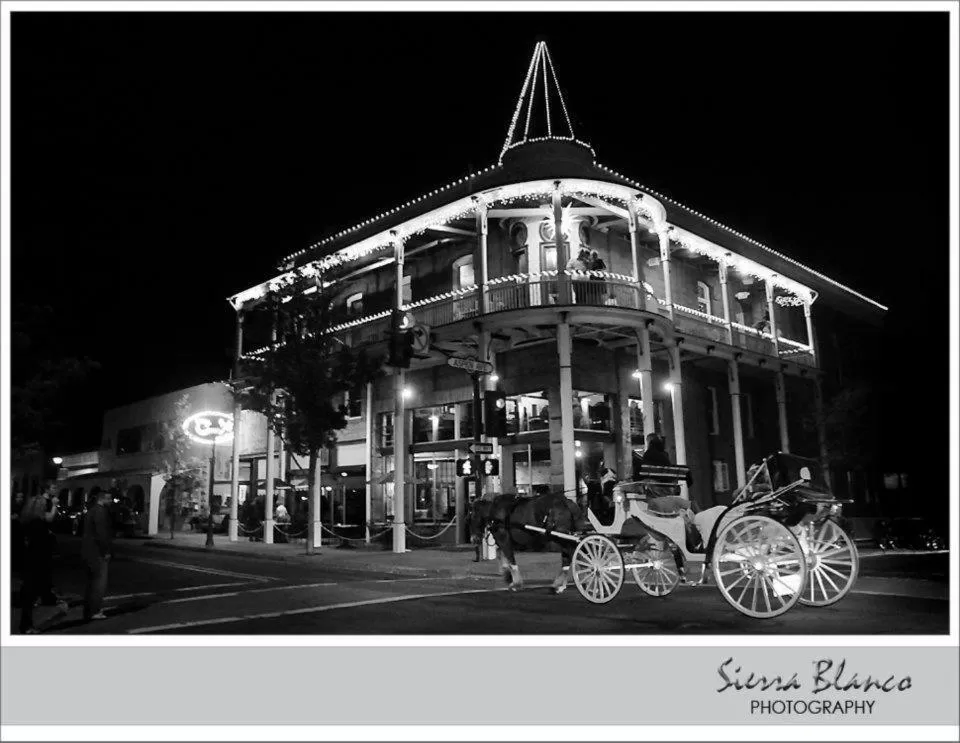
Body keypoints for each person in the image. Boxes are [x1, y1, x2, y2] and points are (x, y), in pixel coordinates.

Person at [18, 481, 66, 633]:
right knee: (33, 587)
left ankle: (30, 618)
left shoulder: (28, 521)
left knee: (30, 587)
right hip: (38, 556)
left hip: (29, 555)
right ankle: (27, 625)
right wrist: (54, 506)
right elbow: (49, 519)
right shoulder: (39, 522)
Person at [81, 487, 113, 621]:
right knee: (99, 583)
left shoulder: (91, 511)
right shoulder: (100, 512)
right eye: (109, 498)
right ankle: (95, 610)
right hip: (97, 552)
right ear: (102, 499)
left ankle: (88, 610)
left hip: (88, 550)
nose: (111, 501)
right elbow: (101, 534)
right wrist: (105, 551)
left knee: (91, 583)